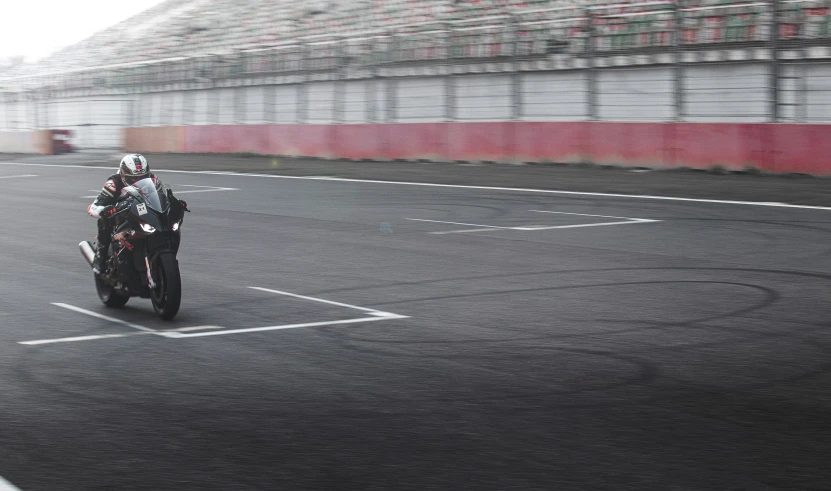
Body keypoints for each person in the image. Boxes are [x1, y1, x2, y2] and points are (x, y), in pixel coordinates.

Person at [87, 154, 187, 274]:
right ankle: (100, 256)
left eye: (143, 177)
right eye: (134, 178)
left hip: (142, 213)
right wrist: (104, 210)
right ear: (124, 175)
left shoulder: (153, 179)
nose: (138, 181)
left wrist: (174, 204)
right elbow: (94, 206)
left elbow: (162, 197)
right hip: (121, 216)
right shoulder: (113, 183)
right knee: (104, 221)